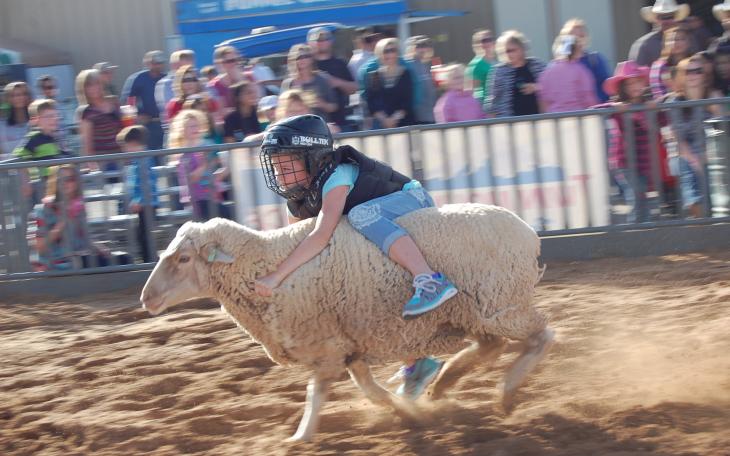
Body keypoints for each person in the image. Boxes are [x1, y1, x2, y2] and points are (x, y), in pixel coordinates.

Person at [255, 114, 457, 399]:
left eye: (286, 164)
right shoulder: (297, 199)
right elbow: (296, 243)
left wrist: (277, 276)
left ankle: (430, 279)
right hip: (377, 224)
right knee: (361, 287)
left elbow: (321, 234)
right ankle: (417, 364)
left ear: (312, 157)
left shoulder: (337, 175)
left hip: (412, 201)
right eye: (275, 166)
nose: (279, 174)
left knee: (362, 215)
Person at [592, 61, 667, 224]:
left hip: (643, 162)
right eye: (629, 83)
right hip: (624, 162)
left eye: (638, 81)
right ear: (622, 87)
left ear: (644, 83)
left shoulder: (648, 105)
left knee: (641, 198)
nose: (635, 86)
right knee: (637, 197)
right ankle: (635, 233)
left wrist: (656, 108)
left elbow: (665, 120)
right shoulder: (620, 107)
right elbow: (593, 110)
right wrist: (614, 106)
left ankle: (642, 231)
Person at [663, 55, 724, 218]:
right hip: (683, 153)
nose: (693, 75)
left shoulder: (712, 97)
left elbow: (721, 128)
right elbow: (677, 138)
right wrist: (695, 159)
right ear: (681, 75)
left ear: (704, 75)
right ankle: (699, 221)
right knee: (690, 174)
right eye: (688, 71)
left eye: (698, 71)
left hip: (712, 151)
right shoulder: (675, 100)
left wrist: (716, 107)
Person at [28, 164, 118, 271]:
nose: (65, 183)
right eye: (60, 179)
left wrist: (103, 250)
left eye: (70, 179)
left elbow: (85, 238)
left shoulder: (78, 206)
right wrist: (63, 222)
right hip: (56, 263)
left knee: (122, 259)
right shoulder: (42, 210)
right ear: (54, 182)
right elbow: (39, 248)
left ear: (76, 183)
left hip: (79, 258)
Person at [169, 109, 227, 221]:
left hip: (211, 197)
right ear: (182, 130)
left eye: (196, 126)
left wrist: (225, 169)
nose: (195, 129)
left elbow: (210, 176)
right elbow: (190, 179)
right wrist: (205, 164)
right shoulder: (183, 153)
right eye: (191, 126)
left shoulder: (203, 149)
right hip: (198, 200)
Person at [13, 99, 68, 204]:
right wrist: (25, 182)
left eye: (56, 116)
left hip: (59, 181)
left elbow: (66, 156)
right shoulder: (34, 138)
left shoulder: (57, 137)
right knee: (46, 214)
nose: (54, 119)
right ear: (35, 120)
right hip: (44, 184)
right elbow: (19, 158)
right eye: (49, 117)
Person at [118, 125, 159, 262]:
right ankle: (149, 260)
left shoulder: (143, 160)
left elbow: (146, 183)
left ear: (133, 144)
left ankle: (149, 261)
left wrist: (138, 200)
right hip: (146, 204)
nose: (125, 151)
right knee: (142, 235)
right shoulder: (140, 160)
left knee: (144, 235)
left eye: (126, 147)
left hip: (147, 204)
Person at [485, 30, 547, 117]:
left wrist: (535, 87)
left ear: (522, 49)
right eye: (505, 51)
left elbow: (551, 87)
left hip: (538, 120)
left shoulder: (537, 65)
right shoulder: (499, 71)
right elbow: (492, 103)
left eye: (511, 50)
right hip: (511, 123)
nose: (508, 54)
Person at [308, 26, 357, 130]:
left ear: (330, 42)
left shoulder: (339, 63)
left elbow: (354, 88)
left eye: (326, 39)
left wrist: (337, 82)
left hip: (339, 122)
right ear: (310, 43)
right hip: (311, 123)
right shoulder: (306, 64)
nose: (322, 42)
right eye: (318, 40)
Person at [75, 69, 123, 173]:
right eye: (89, 85)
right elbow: (87, 144)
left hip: (122, 158)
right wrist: (93, 168)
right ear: (83, 89)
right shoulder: (86, 112)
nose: (94, 88)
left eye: (97, 83)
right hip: (103, 163)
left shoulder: (114, 103)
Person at [362, 38, 415, 129]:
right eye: (385, 51)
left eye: (392, 50)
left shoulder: (406, 74)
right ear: (379, 54)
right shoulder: (373, 76)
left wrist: (393, 119)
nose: (389, 54)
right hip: (381, 126)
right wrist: (385, 120)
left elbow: (407, 102)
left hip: (404, 125)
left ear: (397, 53)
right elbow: (371, 102)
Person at [120, 50, 167, 152]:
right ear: (148, 63)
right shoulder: (138, 79)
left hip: (163, 123)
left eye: (160, 63)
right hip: (146, 125)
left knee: (164, 152)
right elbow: (128, 102)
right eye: (155, 63)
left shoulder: (165, 78)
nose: (158, 65)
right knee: (149, 154)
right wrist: (136, 116)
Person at [538, 34, 597, 113]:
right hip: (578, 116)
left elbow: (543, 99)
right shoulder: (581, 71)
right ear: (576, 50)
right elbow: (588, 96)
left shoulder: (547, 72)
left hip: (555, 118)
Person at [281, 44, 337, 122]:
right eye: (298, 57)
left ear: (311, 59)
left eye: (305, 56)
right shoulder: (288, 84)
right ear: (293, 60)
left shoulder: (322, 79)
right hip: (296, 125)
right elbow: (282, 110)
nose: (302, 60)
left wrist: (322, 104)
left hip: (319, 125)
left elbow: (334, 106)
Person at [560, 18, 612, 103]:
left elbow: (607, 86)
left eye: (581, 36)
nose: (578, 41)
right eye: (573, 37)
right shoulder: (559, 66)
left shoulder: (596, 59)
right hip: (570, 113)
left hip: (597, 111)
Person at [629, 0, 692, 67]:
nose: (667, 21)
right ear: (656, 19)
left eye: (670, 17)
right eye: (663, 17)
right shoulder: (644, 44)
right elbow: (636, 74)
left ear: (676, 18)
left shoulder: (688, 38)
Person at [649, 26, 692, 100]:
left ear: (688, 42)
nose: (676, 43)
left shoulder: (695, 62)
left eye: (681, 39)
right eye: (671, 39)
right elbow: (658, 95)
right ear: (665, 44)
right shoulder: (658, 66)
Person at [155, 49, 195, 125]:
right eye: (182, 67)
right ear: (174, 66)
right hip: (175, 128)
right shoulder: (165, 84)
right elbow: (169, 108)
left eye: (189, 67)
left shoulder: (197, 80)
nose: (186, 71)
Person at [405, 35, 437, 125]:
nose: (425, 49)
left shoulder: (426, 65)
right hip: (417, 119)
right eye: (420, 46)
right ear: (411, 48)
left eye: (427, 45)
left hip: (430, 116)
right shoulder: (408, 65)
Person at [207, 46, 248, 113]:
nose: (235, 64)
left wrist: (242, 81)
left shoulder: (249, 77)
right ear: (220, 64)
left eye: (237, 60)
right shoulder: (213, 86)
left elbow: (256, 102)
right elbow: (221, 111)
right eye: (230, 61)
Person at [466, 29, 497, 107]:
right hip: (486, 110)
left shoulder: (495, 61)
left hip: (498, 105)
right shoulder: (476, 65)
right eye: (484, 40)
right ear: (477, 44)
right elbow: (472, 92)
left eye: (490, 39)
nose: (488, 42)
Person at [0, 81, 31, 160]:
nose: (19, 98)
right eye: (14, 95)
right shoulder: (2, 125)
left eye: (23, 94)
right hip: (9, 169)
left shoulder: (38, 121)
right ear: (8, 98)